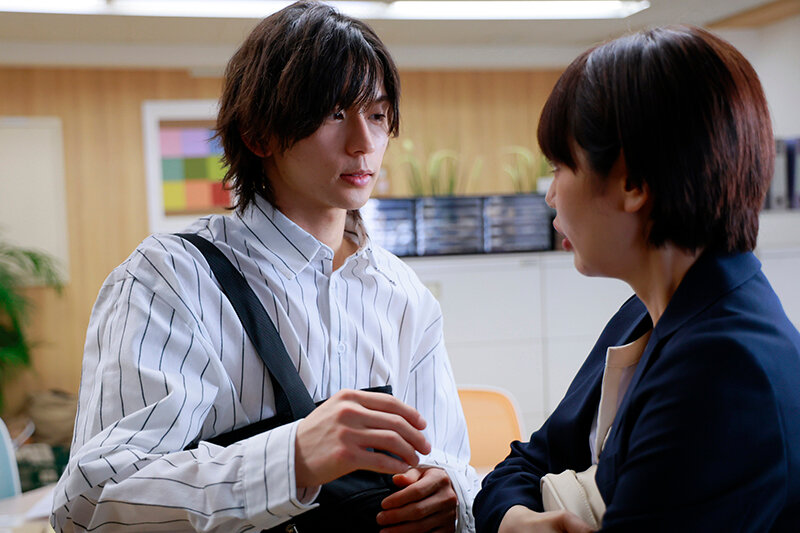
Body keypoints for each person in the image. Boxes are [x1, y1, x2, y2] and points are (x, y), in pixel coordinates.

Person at [52, 2, 479, 531]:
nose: (364, 143)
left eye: (376, 115)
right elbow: (89, 503)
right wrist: (291, 459)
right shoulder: (169, 278)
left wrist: (451, 494)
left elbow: (452, 459)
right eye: (333, 114)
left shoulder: (403, 293)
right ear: (259, 136)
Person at [473, 25, 800, 533]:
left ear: (631, 182)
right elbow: (525, 462)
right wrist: (515, 520)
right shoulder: (647, 315)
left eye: (559, 167)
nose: (551, 196)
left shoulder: (725, 367)